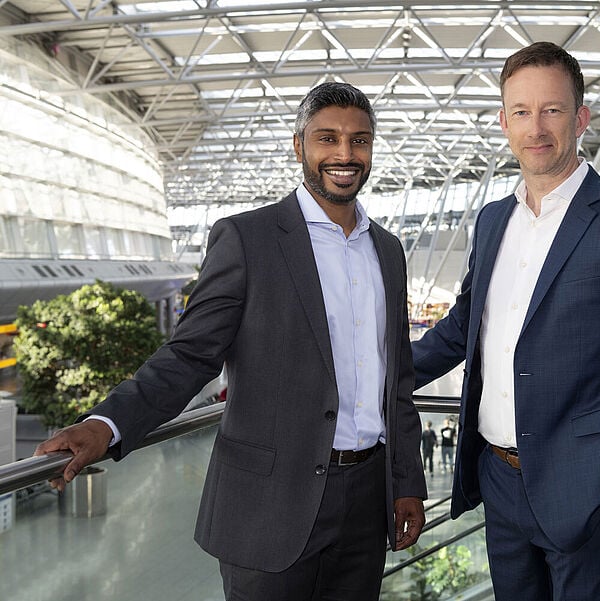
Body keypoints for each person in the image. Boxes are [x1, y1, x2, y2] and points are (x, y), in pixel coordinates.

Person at [35, 82, 426, 601]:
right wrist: (106, 424)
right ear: (299, 145)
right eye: (327, 138)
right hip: (269, 504)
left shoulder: (388, 250)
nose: (344, 154)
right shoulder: (247, 239)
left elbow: (395, 382)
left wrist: (407, 484)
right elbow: (191, 353)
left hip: (365, 502)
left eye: (360, 140)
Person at [412, 42, 600, 601]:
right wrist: (370, 374)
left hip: (590, 497)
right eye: (521, 112)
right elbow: (464, 325)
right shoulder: (493, 221)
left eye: (552, 110)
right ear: (503, 122)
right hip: (499, 483)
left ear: (581, 118)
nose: (535, 128)